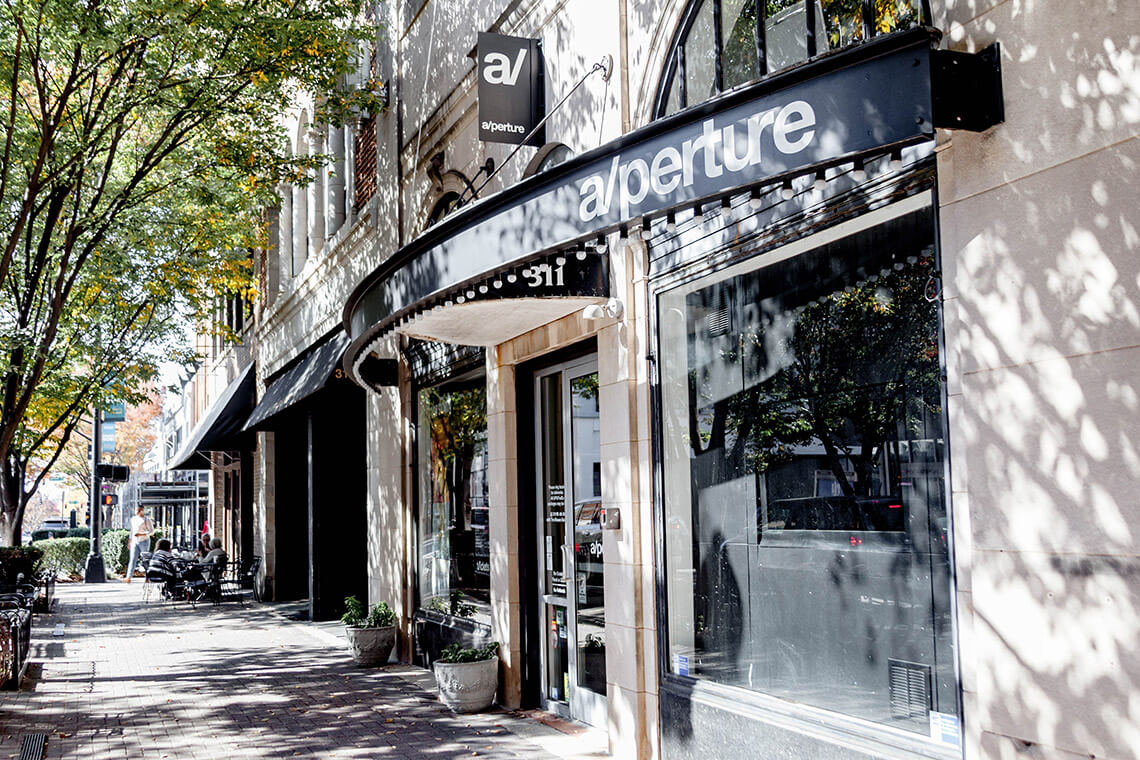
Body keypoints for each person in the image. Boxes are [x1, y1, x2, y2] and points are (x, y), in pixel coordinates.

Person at [124, 506, 153, 583]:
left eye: (138, 510)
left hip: (144, 541)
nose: (136, 512)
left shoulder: (147, 520)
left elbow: (151, 531)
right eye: (136, 510)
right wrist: (129, 542)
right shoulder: (133, 519)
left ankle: (148, 577)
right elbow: (132, 531)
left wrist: (142, 534)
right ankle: (128, 577)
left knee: (145, 560)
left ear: (142, 510)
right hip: (134, 541)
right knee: (132, 559)